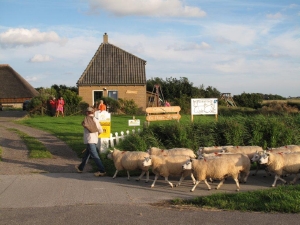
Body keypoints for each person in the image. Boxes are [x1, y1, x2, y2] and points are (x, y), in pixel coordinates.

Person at [75, 107, 106, 177]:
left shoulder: (86, 119)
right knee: (86, 155)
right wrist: (96, 134)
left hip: (89, 140)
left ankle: (102, 170)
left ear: (87, 112)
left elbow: (83, 124)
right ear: (93, 112)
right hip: (94, 140)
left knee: (95, 156)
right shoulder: (95, 120)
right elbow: (101, 130)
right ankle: (80, 168)